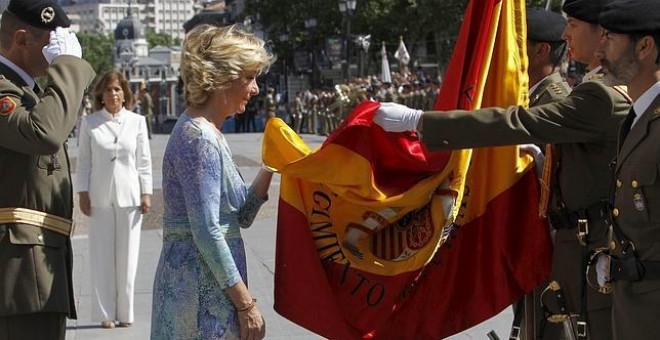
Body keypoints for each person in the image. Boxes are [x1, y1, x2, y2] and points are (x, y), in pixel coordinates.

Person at [373, 1, 631, 339]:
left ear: (605, 37)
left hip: (581, 241)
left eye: (575, 25)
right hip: (568, 241)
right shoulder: (591, 88)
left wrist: (419, 121)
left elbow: (518, 123)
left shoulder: (598, 95)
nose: (568, 35)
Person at [150, 24, 274, 340]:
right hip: (198, 293)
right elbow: (206, 229)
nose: (256, 88)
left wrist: (271, 165)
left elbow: (241, 215)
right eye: (249, 77)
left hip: (205, 286)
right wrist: (246, 305)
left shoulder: (208, 132)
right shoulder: (199, 137)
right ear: (221, 78)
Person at [0, 0, 95, 339]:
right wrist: (69, 66)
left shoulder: (29, 92)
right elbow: (46, 133)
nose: (58, 53)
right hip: (18, 273)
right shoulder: (3, 88)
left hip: (34, 264)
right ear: (22, 40)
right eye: (52, 44)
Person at [596, 1, 660, 339]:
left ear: (645, 46)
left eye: (609, 37)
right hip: (632, 305)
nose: (599, 48)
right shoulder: (637, 117)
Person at [76, 70, 153, 329]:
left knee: (128, 258)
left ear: (125, 94)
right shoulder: (90, 123)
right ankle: (105, 313)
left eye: (118, 89)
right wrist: (82, 193)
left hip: (130, 196)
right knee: (101, 257)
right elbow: (84, 162)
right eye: (108, 90)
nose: (113, 94)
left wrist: (146, 192)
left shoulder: (137, 122)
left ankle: (125, 313)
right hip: (99, 196)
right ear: (101, 94)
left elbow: (144, 161)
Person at [512, 8, 571, 340]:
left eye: (519, 44)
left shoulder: (555, 102)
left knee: (548, 327)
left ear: (542, 50)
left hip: (547, 243)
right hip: (524, 241)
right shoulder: (530, 98)